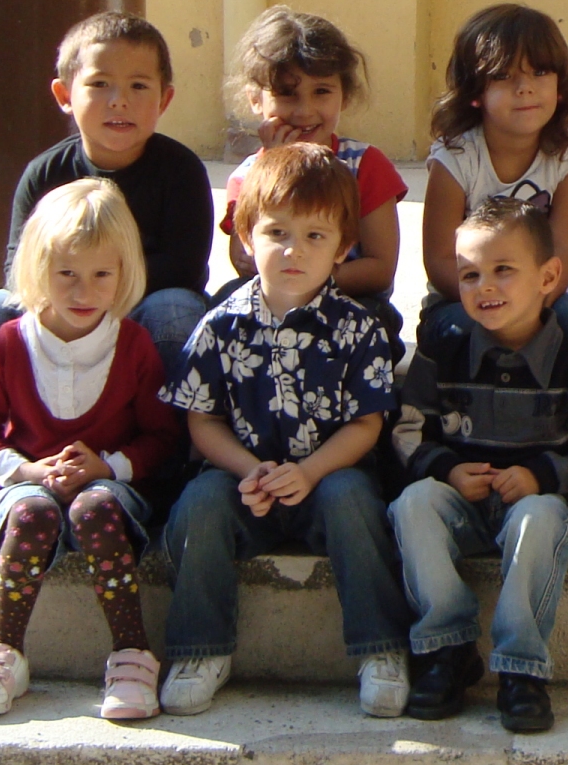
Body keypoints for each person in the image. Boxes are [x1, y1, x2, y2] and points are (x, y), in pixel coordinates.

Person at [157, 143, 412, 718]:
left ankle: (381, 649)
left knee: (353, 500)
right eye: (277, 233)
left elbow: (368, 422)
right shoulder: (220, 326)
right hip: (244, 482)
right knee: (200, 504)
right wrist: (249, 471)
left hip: (328, 477)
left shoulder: (356, 328)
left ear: (344, 247)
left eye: (316, 237)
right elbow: (203, 418)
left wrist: (311, 471)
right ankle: (200, 648)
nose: (295, 251)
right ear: (247, 239)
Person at [388, 198, 568, 731]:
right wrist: (445, 469)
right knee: (413, 504)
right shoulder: (443, 351)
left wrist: (543, 476)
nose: (484, 287)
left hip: (539, 503)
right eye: (470, 275)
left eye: (503, 271)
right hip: (462, 501)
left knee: (538, 519)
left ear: (548, 277)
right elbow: (407, 428)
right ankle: (447, 649)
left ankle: (522, 669)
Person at [0, 180, 183, 721]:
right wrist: (25, 469)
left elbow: (161, 436)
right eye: (67, 275)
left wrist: (107, 466)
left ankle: (131, 652)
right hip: (27, 485)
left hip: (109, 487)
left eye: (102, 275)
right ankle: (4, 653)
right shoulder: (10, 342)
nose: (84, 292)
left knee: (95, 506)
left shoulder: (134, 346)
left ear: (124, 275)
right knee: (33, 511)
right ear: (39, 271)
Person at [0, 12, 213, 392]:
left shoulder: (181, 170)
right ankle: (9, 441)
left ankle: (164, 444)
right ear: (63, 96)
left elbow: (184, 267)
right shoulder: (45, 173)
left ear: (164, 99)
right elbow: (17, 264)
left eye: (139, 86)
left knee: (176, 310)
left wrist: (103, 289)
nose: (119, 101)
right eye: (99, 84)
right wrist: (70, 293)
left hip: (142, 303)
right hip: (60, 302)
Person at [420, 4, 568, 365]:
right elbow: (441, 259)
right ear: (475, 91)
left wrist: (530, 306)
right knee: (453, 331)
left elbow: (565, 247)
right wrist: (493, 303)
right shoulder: (456, 156)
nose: (525, 89)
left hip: (540, 295)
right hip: (466, 299)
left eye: (540, 72)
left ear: (560, 86)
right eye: (504, 76)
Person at [217, 5, 408, 350]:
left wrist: (311, 282)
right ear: (256, 100)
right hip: (275, 302)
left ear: (344, 95)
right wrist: (272, 168)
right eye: (287, 93)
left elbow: (380, 268)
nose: (304, 110)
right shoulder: (247, 176)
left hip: (348, 298)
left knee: (376, 321)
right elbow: (244, 262)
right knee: (225, 306)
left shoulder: (365, 165)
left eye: (321, 92)